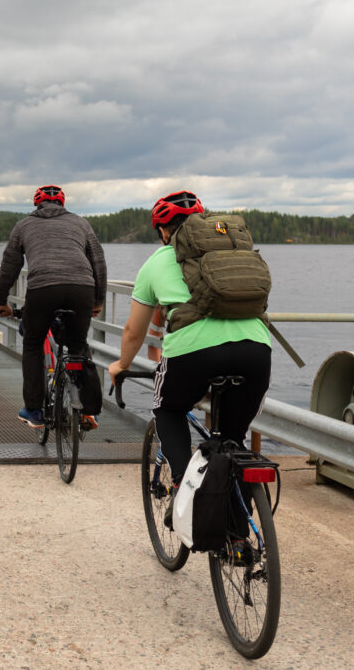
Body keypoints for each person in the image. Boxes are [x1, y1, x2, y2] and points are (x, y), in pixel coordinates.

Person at [108, 190, 272, 488]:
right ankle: (236, 532)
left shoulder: (156, 261)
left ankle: (184, 488)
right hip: (256, 350)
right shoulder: (234, 257)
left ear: (162, 231)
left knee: (167, 408)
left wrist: (122, 364)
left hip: (193, 353)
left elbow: (134, 331)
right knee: (232, 441)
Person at [0, 185, 107, 429]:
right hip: (81, 289)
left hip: (43, 288)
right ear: (63, 204)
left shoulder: (24, 225)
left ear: (37, 205)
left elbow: (9, 266)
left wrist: (2, 301)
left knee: (33, 343)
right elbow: (98, 262)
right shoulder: (81, 223)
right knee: (78, 345)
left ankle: (34, 411)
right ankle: (90, 411)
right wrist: (98, 300)